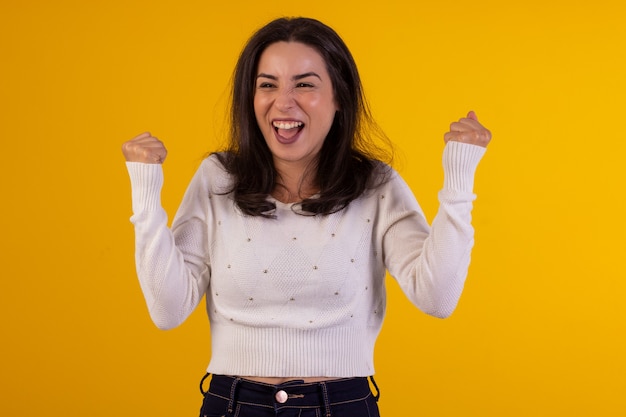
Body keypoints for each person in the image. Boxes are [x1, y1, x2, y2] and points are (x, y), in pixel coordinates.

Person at [122, 16, 491, 417]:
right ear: (250, 98)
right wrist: (145, 191)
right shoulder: (217, 178)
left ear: (339, 98)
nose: (283, 101)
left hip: (342, 406)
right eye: (267, 84)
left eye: (304, 84)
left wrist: (459, 176)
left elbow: (437, 297)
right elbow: (167, 309)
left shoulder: (376, 184)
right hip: (232, 406)